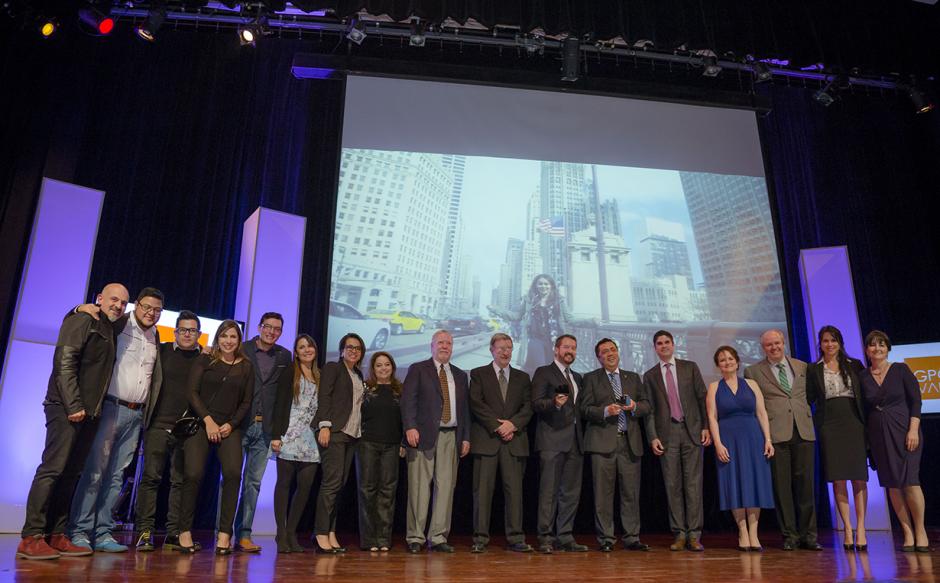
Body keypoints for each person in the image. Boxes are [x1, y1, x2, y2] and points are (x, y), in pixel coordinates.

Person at [17, 283, 128, 560]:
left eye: (123, 303)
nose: (118, 305)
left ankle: (56, 534)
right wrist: (74, 405)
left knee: (71, 475)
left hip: (89, 413)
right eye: (113, 299)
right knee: (52, 470)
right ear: (99, 299)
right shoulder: (83, 319)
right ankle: (31, 537)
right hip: (66, 408)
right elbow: (64, 362)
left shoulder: (108, 327)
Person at [68, 287, 165, 553]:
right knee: (95, 472)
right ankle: (79, 530)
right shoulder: (118, 323)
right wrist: (78, 308)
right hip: (110, 408)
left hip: (136, 415)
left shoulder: (156, 335)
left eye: (157, 310)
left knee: (116, 475)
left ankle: (103, 532)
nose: (151, 313)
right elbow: (88, 318)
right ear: (137, 305)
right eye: (146, 307)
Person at [177, 320, 254, 554]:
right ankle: (184, 531)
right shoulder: (205, 359)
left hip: (229, 428)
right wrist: (208, 420)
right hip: (202, 423)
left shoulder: (247, 366)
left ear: (239, 340)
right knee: (193, 474)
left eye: (233, 337)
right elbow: (192, 392)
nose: (228, 341)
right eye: (224, 336)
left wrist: (231, 424)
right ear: (217, 338)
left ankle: (224, 534)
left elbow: (247, 401)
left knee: (232, 474)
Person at [134, 310, 204, 552]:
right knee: (151, 479)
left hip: (187, 430)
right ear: (175, 332)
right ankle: (145, 532)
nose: (187, 334)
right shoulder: (161, 351)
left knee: (180, 482)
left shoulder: (204, 360)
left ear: (199, 334)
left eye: (192, 330)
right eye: (183, 330)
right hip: (158, 426)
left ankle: (173, 533)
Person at [743, 329, 820, 551]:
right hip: (776, 435)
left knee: (806, 486)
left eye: (777, 343)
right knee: (782, 488)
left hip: (804, 431)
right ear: (763, 348)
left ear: (783, 342)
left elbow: (810, 395)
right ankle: (790, 535)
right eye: (768, 345)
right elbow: (755, 406)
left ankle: (810, 536)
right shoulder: (753, 371)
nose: (774, 347)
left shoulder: (802, 366)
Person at [401, 330, 471, 553]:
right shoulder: (418, 369)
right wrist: (410, 426)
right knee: (419, 488)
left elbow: (465, 410)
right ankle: (415, 537)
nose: (445, 346)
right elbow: (408, 401)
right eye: (440, 342)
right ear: (431, 346)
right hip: (422, 436)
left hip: (451, 436)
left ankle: (438, 537)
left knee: (446, 489)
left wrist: (466, 437)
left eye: (448, 343)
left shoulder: (460, 375)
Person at [859, 330, 929, 552]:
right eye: (872, 345)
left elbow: (916, 402)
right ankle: (906, 531)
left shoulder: (901, 370)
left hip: (905, 432)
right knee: (892, 484)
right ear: (867, 350)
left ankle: (920, 530)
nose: (877, 348)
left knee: (910, 481)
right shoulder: (862, 376)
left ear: (888, 348)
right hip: (878, 435)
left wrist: (913, 430)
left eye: (881, 344)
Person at [580, 338, 651, 552]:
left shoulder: (633, 377)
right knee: (603, 495)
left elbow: (647, 405)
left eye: (613, 349)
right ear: (599, 357)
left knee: (631, 494)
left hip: (630, 443)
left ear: (618, 352)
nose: (610, 354)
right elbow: (584, 408)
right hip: (602, 443)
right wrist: (604, 411)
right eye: (604, 351)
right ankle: (606, 539)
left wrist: (634, 406)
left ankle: (631, 537)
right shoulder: (590, 378)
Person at [643, 330, 710, 552]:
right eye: (659, 343)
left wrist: (706, 427)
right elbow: (649, 410)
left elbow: (702, 398)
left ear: (674, 344)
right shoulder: (650, 375)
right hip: (667, 434)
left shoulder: (690, 367)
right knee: (672, 486)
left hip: (691, 432)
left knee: (693, 485)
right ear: (655, 348)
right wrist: (653, 436)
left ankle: (694, 535)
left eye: (667, 342)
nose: (664, 346)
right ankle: (679, 534)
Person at [468, 333, 534, 553]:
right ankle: (480, 538)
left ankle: (516, 538)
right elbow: (476, 404)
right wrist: (498, 426)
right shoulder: (478, 374)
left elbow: (528, 407)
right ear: (491, 350)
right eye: (501, 348)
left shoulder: (523, 377)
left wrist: (512, 425)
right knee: (482, 492)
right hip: (487, 441)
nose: (506, 351)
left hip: (514, 442)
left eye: (509, 347)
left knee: (514, 493)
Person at [805, 325, 869, 551]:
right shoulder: (813, 370)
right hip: (829, 426)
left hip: (854, 423)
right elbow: (810, 399)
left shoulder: (855, 365)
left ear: (840, 342)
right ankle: (847, 529)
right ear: (820, 344)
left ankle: (861, 528)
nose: (829, 344)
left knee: (859, 478)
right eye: (825, 341)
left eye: (833, 340)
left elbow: (866, 395)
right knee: (838, 478)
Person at [233, 312, 292, 553]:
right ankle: (223, 532)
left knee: (254, 483)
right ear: (259, 327)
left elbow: (285, 396)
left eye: (276, 329)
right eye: (267, 327)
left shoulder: (285, 356)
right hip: (240, 424)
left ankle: (244, 534)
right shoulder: (242, 349)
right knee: (231, 479)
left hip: (266, 428)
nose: (271, 331)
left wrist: (279, 432)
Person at [706, 345, 774, 552]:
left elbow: (761, 413)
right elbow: (712, 417)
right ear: (718, 365)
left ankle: (754, 533)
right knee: (734, 484)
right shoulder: (714, 387)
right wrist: (718, 443)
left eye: (730, 358)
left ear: (737, 361)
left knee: (754, 484)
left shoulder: (751, 384)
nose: (727, 362)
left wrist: (768, 439)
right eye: (722, 360)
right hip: (728, 439)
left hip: (753, 437)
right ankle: (742, 532)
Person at [531, 334, 588, 554]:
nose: (570, 351)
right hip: (552, 441)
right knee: (549, 492)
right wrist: (554, 402)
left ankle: (565, 536)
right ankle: (545, 537)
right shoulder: (544, 372)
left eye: (573, 348)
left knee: (570, 493)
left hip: (575, 441)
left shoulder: (577, 377)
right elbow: (536, 404)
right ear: (556, 349)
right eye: (566, 347)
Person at [313, 332, 367, 553]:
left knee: (339, 486)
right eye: (349, 347)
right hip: (334, 431)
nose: (353, 350)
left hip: (352, 435)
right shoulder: (333, 369)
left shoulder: (358, 374)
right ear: (342, 350)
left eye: (357, 348)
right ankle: (320, 533)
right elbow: (324, 396)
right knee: (331, 484)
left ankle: (331, 531)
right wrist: (325, 425)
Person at [270, 334, 320, 554]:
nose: (307, 349)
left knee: (305, 486)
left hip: (310, 439)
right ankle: (280, 533)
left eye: (310, 345)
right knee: (284, 484)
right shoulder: (290, 372)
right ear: (296, 351)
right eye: (302, 347)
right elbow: (279, 403)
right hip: (288, 435)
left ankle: (291, 531)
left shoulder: (320, 375)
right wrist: (276, 435)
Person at [487, 274, 590, 374]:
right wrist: (496, 310)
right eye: (540, 284)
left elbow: (570, 319)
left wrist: (592, 321)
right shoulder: (530, 300)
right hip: (535, 339)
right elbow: (517, 316)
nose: (543, 286)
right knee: (540, 367)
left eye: (546, 284)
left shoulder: (559, 300)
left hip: (554, 340)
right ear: (535, 286)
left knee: (553, 368)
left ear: (551, 286)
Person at [356, 351, 405, 552]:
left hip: (392, 446)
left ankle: (383, 539)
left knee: (387, 492)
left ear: (392, 367)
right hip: (367, 444)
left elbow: (405, 419)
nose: (383, 368)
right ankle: (369, 540)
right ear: (373, 369)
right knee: (367, 491)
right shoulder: (365, 389)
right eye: (379, 365)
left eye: (387, 364)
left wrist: (403, 443)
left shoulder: (400, 391)